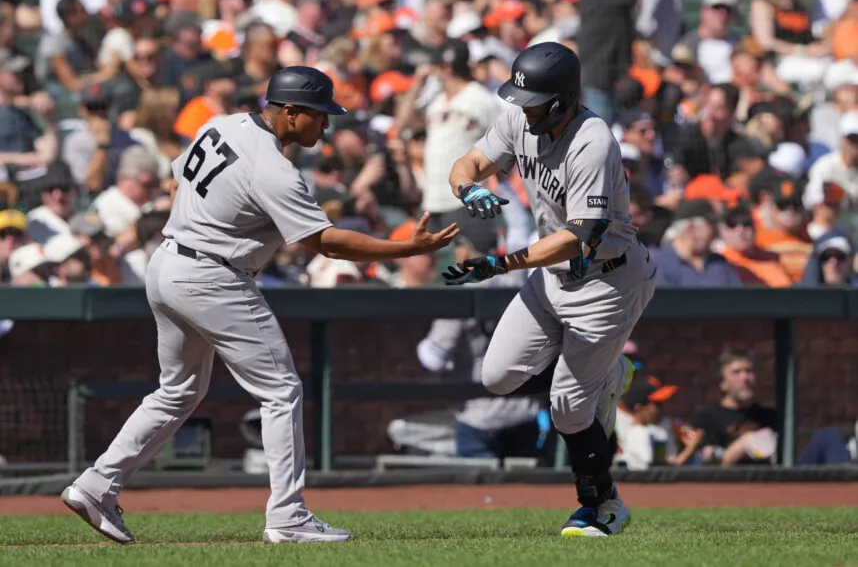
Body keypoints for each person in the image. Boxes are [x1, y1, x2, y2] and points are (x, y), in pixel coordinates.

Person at [60, 66, 459, 545]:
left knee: (177, 392)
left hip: (168, 263)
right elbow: (327, 243)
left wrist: (203, 225)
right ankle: (288, 516)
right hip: (213, 276)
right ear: (290, 113)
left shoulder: (221, 124)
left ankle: (96, 484)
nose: (326, 126)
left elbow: (175, 184)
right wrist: (405, 249)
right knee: (281, 390)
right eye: (320, 116)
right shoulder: (271, 167)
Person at [443, 43, 657, 537]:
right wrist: (469, 188)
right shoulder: (520, 119)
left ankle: (603, 506)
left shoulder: (593, 139)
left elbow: (577, 237)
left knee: (567, 405)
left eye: (534, 98)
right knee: (497, 376)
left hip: (608, 280)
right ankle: (605, 374)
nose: (523, 106)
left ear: (561, 100)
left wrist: (500, 264)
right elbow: (468, 162)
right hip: (552, 277)